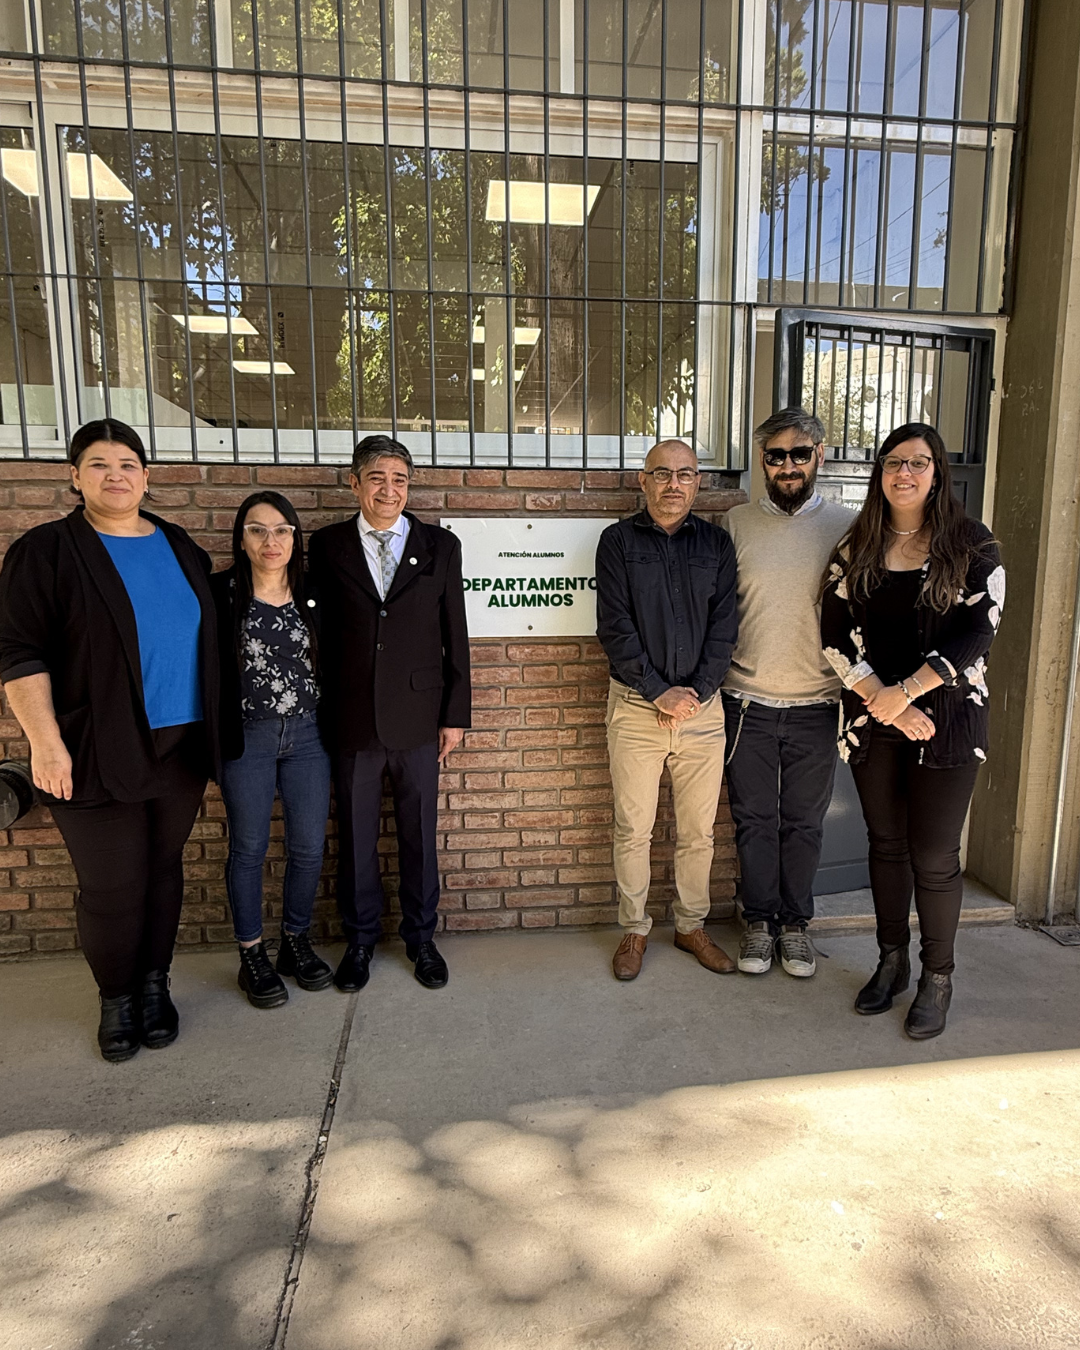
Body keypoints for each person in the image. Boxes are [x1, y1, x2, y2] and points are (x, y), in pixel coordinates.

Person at [0, 419, 219, 1062]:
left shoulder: (179, 545)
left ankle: (154, 986)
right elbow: (18, 652)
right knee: (112, 884)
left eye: (127, 464)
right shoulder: (46, 551)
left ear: (146, 476)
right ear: (75, 476)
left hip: (181, 744)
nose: (115, 475)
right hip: (94, 745)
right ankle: (117, 998)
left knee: (163, 869)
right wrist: (45, 742)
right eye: (98, 464)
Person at [821, 422, 1005, 1040]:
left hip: (948, 721)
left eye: (918, 462)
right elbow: (833, 633)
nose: (904, 472)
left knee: (934, 855)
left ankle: (937, 978)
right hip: (875, 720)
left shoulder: (972, 543)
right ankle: (891, 961)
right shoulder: (857, 546)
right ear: (880, 472)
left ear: (937, 472)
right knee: (886, 845)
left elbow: (980, 630)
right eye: (894, 462)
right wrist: (888, 703)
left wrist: (907, 693)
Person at [308, 434, 471, 993]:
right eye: (377, 478)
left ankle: (421, 938)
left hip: (420, 716)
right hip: (351, 715)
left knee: (419, 834)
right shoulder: (327, 545)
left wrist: (454, 714)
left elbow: (455, 633)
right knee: (355, 837)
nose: (389, 489)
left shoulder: (439, 546)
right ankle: (359, 941)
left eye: (399, 479)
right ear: (354, 483)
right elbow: (319, 631)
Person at [595, 437, 739, 981]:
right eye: (661, 473)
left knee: (698, 831)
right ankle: (634, 929)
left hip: (702, 710)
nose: (673, 484)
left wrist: (694, 694)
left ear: (698, 482)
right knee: (634, 827)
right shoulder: (617, 541)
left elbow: (725, 628)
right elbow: (614, 626)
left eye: (684, 474)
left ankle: (690, 926)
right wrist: (659, 692)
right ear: (643, 480)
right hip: (637, 708)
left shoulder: (717, 545)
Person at [722, 408, 853, 979]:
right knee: (752, 820)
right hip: (746, 701)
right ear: (762, 461)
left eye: (800, 454)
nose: (788, 466)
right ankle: (758, 922)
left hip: (817, 705)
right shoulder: (736, 523)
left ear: (819, 455)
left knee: (804, 823)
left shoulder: (849, 526)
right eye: (776, 456)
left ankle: (795, 927)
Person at [211, 492, 333, 1010]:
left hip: (309, 736)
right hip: (248, 738)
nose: (271, 540)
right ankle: (252, 954)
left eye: (282, 530)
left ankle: (294, 943)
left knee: (308, 847)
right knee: (249, 848)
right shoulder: (218, 593)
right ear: (241, 539)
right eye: (257, 530)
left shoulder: (314, 592)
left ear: (295, 538)